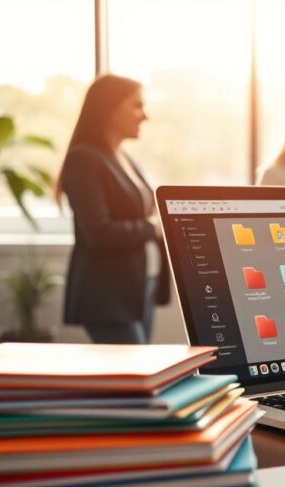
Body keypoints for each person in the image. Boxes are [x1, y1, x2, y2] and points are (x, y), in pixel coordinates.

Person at [56, 74, 169, 344]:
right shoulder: (84, 159)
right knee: (134, 380)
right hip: (108, 298)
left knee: (143, 376)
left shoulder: (124, 157)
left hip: (141, 288)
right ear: (109, 108)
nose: (145, 116)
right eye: (136, 106)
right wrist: (153, 227)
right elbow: (98, 231)